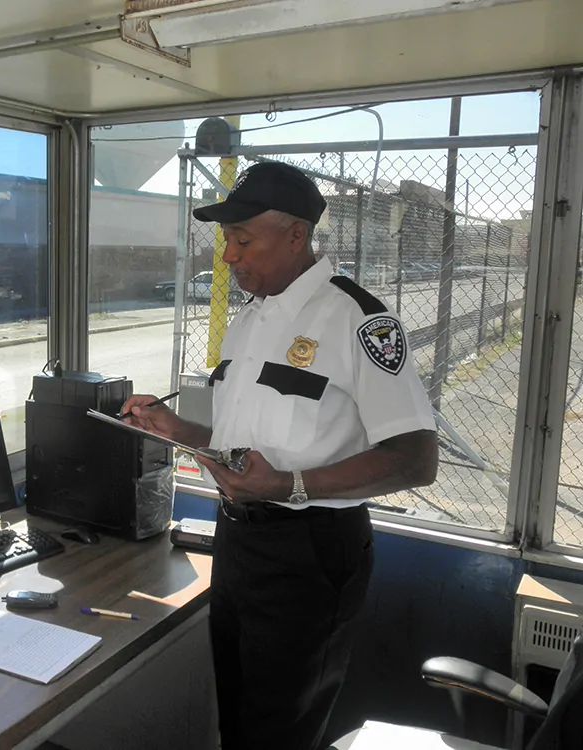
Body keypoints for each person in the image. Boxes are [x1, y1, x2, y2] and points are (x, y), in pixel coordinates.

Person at [120, 161, 439, 750]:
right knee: (239, 717)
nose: (228, 257)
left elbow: (416, 459)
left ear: (296, 235)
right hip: (239, 541)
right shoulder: (248, 322)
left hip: (311, 552)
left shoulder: (359, 321)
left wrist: (288, 485)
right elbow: (238, 447)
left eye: (242, 240)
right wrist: (173, 427)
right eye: (226, 242)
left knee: (283, 730)